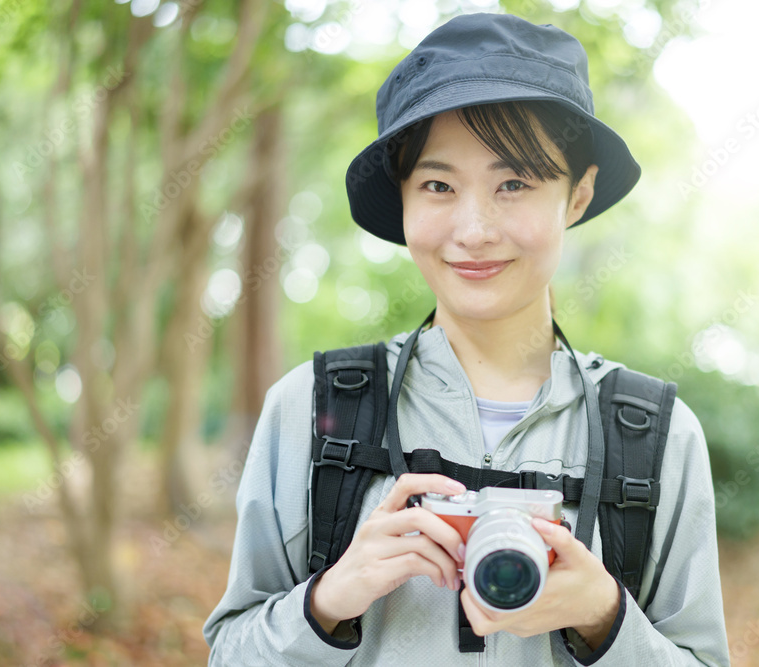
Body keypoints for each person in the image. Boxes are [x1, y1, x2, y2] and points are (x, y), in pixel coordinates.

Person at [204, 12, 729, 666]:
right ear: (403, 199)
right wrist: (328, 599)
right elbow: (228, 652)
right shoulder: (311, 411)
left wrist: (607, 617)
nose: (475, 228)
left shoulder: (658, 436)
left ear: (578, 194)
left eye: (514, 183)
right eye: (438, 185)